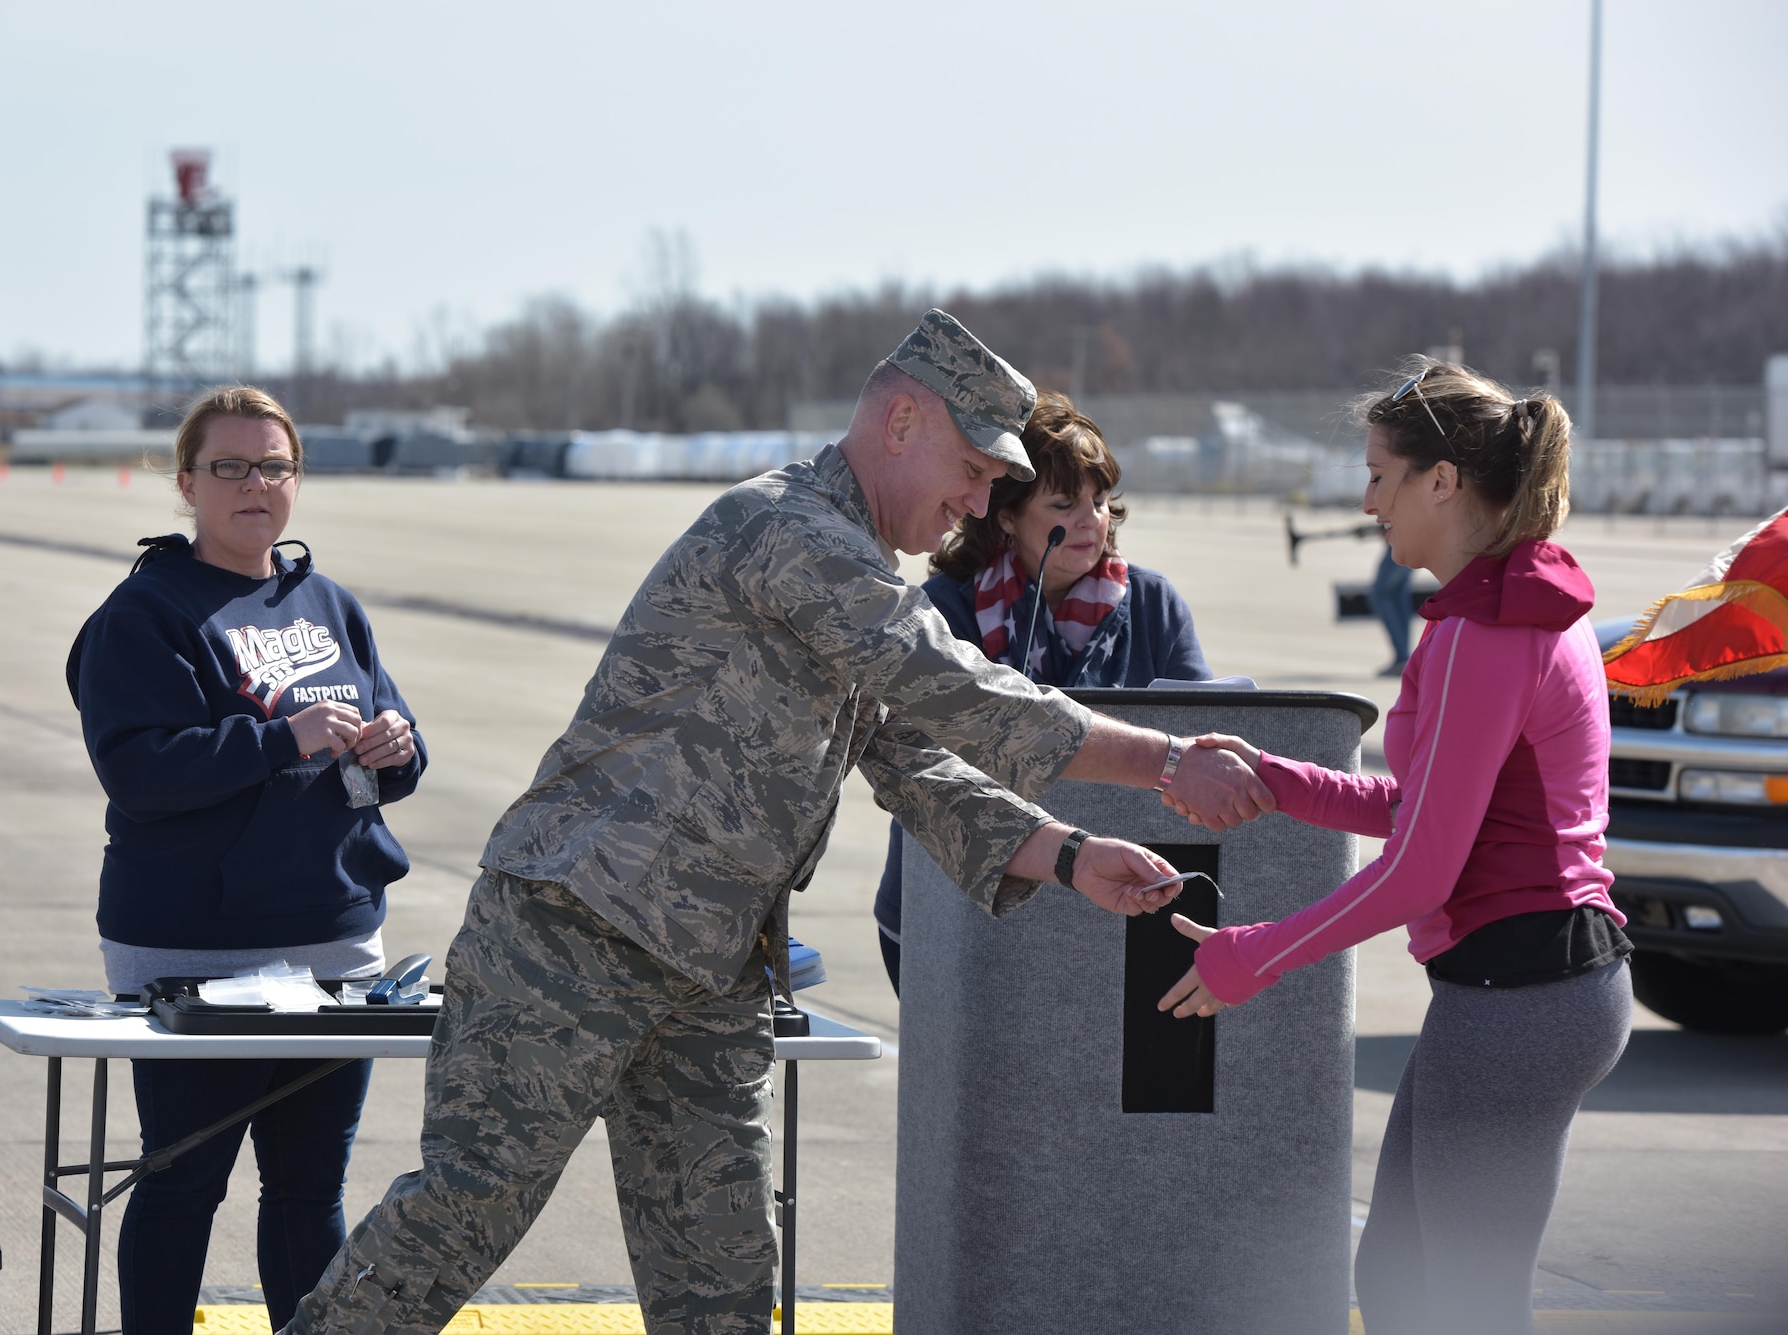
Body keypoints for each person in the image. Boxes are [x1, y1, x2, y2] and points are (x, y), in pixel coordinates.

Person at [285, 310, 1274, 1335]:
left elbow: (918, 762)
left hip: (709, 969)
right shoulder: (787, 530)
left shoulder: (854, 566)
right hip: (573, 935)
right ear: (901, 420)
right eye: (973, 471)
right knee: (458, 1221)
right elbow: (950, 688)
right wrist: (1162, 761)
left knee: (720, 1281)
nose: (978, 502)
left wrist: (1071, 857)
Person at [1157, 358, 1632, 1335]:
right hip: (1527, 991)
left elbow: (1423, 868)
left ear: (1441, 481)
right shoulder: (1510, 607)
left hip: (1523, 997)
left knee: (1458, 1302)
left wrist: (1252, 954)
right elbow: (1426, 808)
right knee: (1403, 1278)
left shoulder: (1489, 631)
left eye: (1379, 474)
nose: (1366, 501)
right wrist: (1283, 779)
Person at [65, 386, 427, 1335]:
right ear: (186, 482)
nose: (254, 484)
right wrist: (281, 737)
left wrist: (398, 747)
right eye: (230, 466)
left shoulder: (328, 601)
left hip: (337, 948)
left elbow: (384, 748)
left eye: (274, 465)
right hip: (198, 955)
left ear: (296, 480)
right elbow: (140, 769)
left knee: (310, 1192)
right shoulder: (144, 614)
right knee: (183, 1185)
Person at [872, 389, 1212, 993]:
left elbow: (1199, 731)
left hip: (1116, 906)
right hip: (959, 909)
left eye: (1101, 501)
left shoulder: (1154, 605)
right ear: (1005, 514)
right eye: (1064, 503)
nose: (1091, 521)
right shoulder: (943, 612)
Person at [1368, 544, 1416, 675]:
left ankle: (1402, 656)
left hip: (1403, 541)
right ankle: (1403, 657)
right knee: (1398, 597)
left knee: (1381, 594)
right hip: (1411, 542)